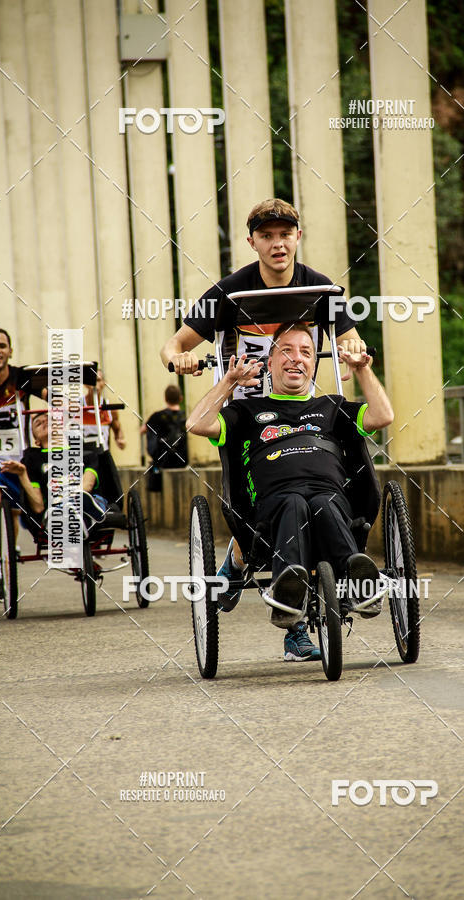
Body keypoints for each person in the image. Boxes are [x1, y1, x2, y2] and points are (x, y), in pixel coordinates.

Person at [161, 198, 367, 660]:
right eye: (267, 236)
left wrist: (355, 353)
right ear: (252, 241)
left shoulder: (321, 288)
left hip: (300, 404)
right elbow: (174, 343)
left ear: (298, 237)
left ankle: (298, 616)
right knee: (260, 498)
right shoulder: (228, 293)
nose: (277, 243)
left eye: (285, 234)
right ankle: (238, 561)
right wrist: (181, 358)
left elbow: (350, 337)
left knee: (311, 488)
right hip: (246, 410)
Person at [186, 322, 394, 650]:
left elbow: (383, 417)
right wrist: (229, 382)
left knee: (322, 502)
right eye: (286, 350)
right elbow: (196, 424)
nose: (296, 358)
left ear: (313, 364)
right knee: (294, 502)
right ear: (269, 362)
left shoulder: (333, 406)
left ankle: (357, 586)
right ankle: (290, 606)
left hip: (331, 495)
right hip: (273, 503)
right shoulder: (246, 410)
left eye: (306, 352)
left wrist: (361, 371)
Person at [0, 328, 43, 602]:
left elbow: (51, 394)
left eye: (1, 345)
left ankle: (11, 549)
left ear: (10, 351)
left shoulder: (22, 378)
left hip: (20, 460)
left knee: (15, 511)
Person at [5, 410, 108, 537]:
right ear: (36, 441)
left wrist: (73, 499)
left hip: (84, 500)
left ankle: (76, 505)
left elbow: (89, 481)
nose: (44, 423)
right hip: (54, 507)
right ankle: (72, 514)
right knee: (56, 511)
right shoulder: (33, 461)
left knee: (88, 498)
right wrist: (22, 475)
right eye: (38, 424)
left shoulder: (86, 453)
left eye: (48, 420)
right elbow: (38, 507)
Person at [140, 385, 188, 491]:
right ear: (181, 398)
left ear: (165, 399)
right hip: (182, 461)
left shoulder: (157, 416)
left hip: (163, 462)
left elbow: (142, 430)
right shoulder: (186, 416)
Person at [83, 369, 126, 452]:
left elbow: (117, 430)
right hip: (82, 457)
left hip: (102, 455)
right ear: (85, 384)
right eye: (92, 381)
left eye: (98, 380)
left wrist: (120, 440)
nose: (95, 384)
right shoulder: (77, 406)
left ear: (104, 383)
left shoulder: (110, 409)